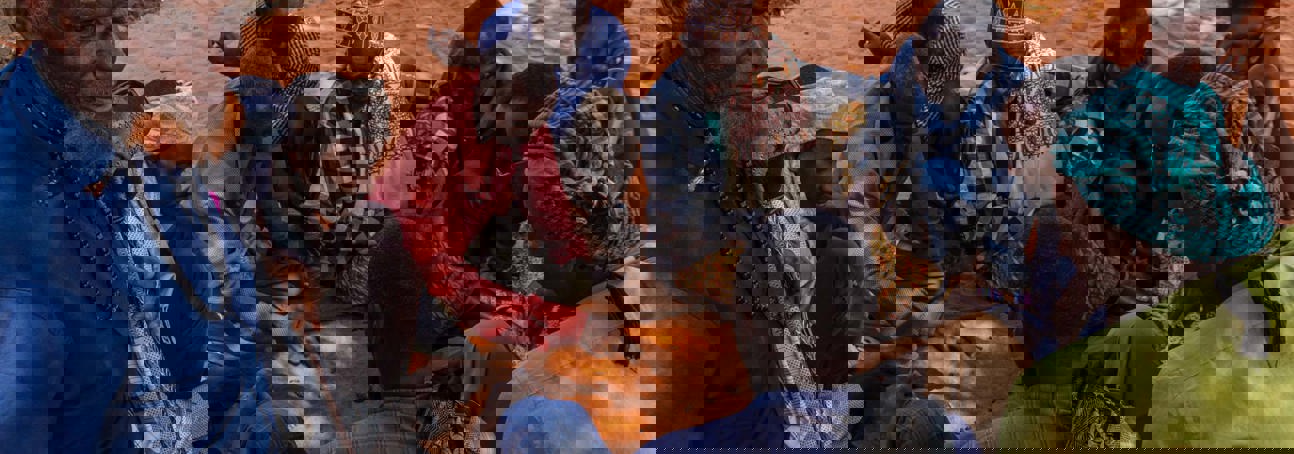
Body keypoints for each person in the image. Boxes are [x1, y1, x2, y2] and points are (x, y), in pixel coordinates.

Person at [0, 0, 280, 451]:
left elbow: (231, 383)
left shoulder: (164, 177)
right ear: (35, 16)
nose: (116, 52)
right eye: (88, 25)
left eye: (134, 22)